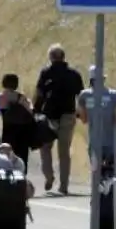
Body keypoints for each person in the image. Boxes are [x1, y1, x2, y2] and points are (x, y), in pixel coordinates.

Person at [33, 43, 84, 195]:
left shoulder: (46, 72)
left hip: (49, 115)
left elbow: (39, 93)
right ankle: (64, 185)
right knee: (64, 151)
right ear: (64, 57)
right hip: (68, 114)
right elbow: (80, 96)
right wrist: (80, 112)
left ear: (51, 57)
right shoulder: (74, 74)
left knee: (45, 147)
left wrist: (35, 111)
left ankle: (49, 176)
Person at [77, 65, 116, 165]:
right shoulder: (114, 95)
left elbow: (84, 120)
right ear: (103, 79)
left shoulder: (84, 96)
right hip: (112, 143)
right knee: (112, 173)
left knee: (96, 173)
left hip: (94, 143)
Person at [0, 74, 34, 173]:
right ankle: (21, 177)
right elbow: (31, 111)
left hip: (6, 130)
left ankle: (6, 177)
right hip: (21, 131)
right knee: (22, 156)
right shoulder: (21, 97)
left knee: (5, 155)